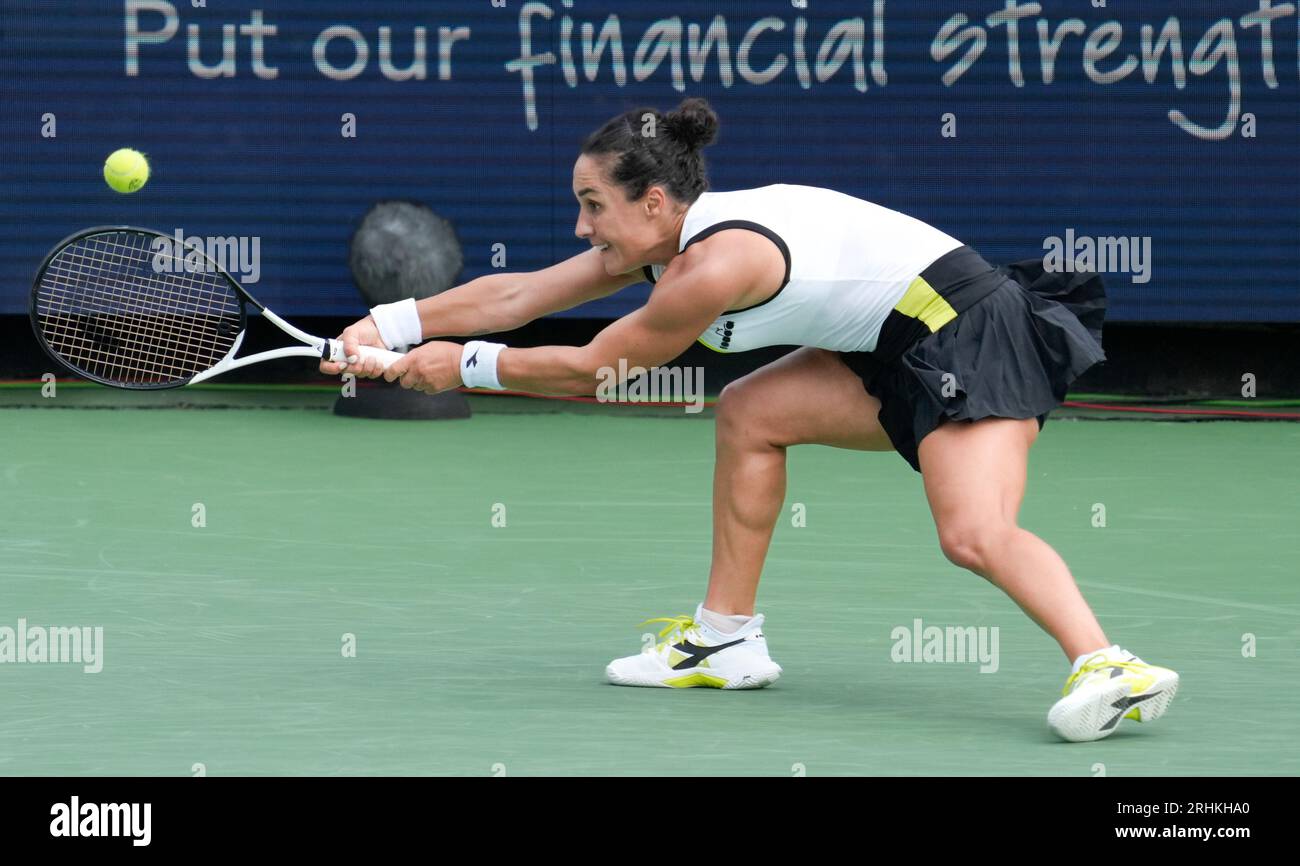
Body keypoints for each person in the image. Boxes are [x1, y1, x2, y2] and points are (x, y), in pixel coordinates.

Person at [322, 97, 1179, 743]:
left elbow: (597, 371)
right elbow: (518, 294)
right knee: (750, 412)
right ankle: (724, 643)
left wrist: (457, 366)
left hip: (969, 335)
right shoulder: (671, 240)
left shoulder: (712, 264)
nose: (583, 226)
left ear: (654, 202)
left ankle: (1110, 664)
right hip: (887, 346)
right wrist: (391, 325)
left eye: (593, 205)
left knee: (974, 533)